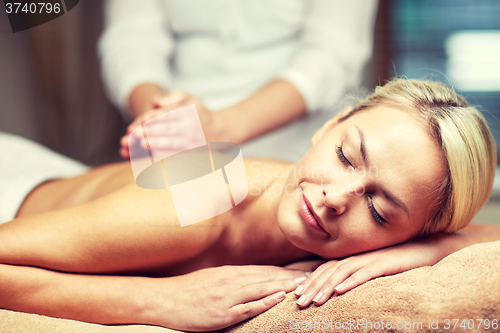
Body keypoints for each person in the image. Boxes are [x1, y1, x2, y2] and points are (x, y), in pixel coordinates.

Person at [0, 79, 499, 332]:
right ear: (330, 125)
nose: (334, 198)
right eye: (345, 156)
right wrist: (161, 302)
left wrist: (418, 253)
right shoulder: (206, 200)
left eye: (379, 210)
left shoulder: (405, 240)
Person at [98, 0, 378, 158]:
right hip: (178, 145)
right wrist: (161, 122)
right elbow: (132, 38)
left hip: (295, 148)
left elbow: (332, 53)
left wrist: (219, 128)